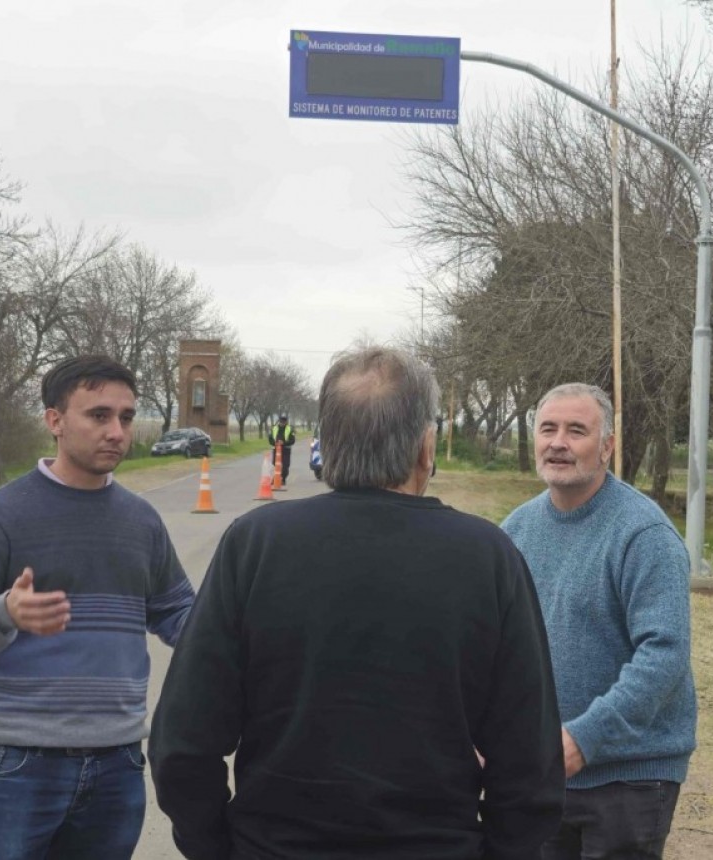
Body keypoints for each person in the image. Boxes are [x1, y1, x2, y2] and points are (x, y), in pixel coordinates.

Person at [149, 346, 564, 860]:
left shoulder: (255, 544)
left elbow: (184, 742)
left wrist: (215, 847)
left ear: (327, 444)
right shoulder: (488, 557)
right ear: (424, 448)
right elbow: (529, 758)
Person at [0, 354, 196, 860]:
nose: (117, 431)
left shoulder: (141, 521)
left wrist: (256, 620)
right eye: (99, 415)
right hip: (12, 766)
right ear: (55, 420)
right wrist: (2, 614)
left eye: (126, 418)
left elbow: (181, 617)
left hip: (117, 766)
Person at [501, 383, 697, 860]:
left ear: (607, 446)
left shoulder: (643, 535)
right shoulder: (514, 531)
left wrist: (585, 738)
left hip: (629, 777)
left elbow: (664, 656)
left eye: (577, 430)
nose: (558, 442)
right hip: (544, 772)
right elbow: (495, 648)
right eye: (548, 428)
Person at [268, 414, 295, 484]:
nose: (282, 422)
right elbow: (270, 439)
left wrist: (284, 443)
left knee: (285, 466)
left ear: (286, 422)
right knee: (276, 464)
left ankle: (283, 479)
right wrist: (275, 443)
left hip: (286, 449)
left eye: (284, 421)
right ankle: (276, 478)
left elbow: (292, 440)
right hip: (276, 449)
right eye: (281, 421)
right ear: (279, 421)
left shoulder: (290, 429)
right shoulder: (274, 428)